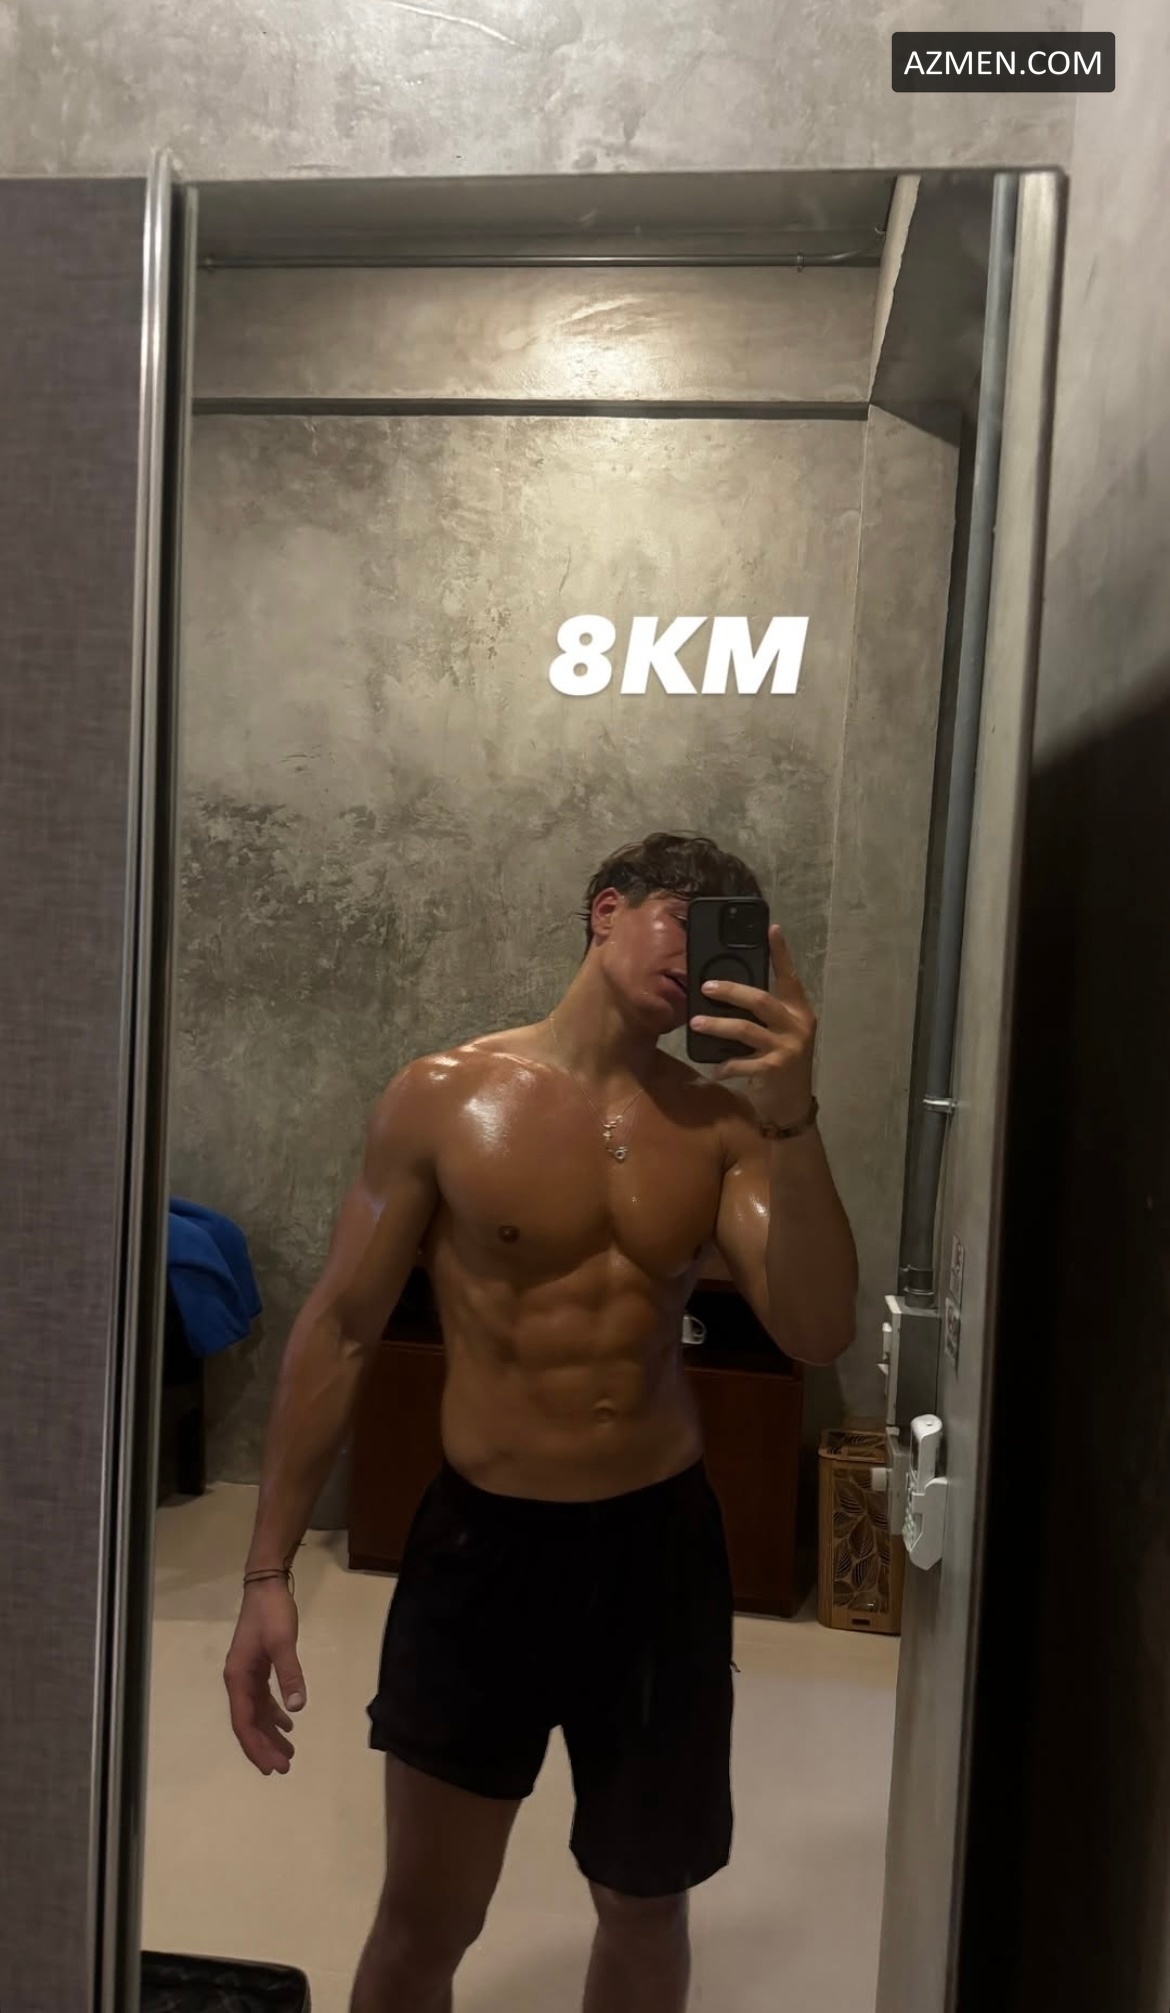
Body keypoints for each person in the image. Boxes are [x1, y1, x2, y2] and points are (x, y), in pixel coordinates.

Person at [224, 831, 858, 2013]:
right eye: (683, 916)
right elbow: (344, 1329)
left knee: (647, 1907)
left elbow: (818, 1329)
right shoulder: (444, 1097)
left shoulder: (723, 1128)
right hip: (487, 1552)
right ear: (606, 910)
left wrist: (795, 1117)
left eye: (729, 934)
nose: (699, 953)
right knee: (426, 1919)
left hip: (658, 1557)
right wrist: (268, 1572)